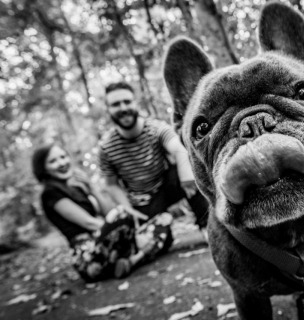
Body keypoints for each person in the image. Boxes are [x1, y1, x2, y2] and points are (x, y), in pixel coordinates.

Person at [32, 144, 172, 282]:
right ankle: (137, 255)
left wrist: (91, 188)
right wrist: (131, 232)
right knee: (123, 213)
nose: (61, 163)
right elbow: (90, 223)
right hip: (89, 257)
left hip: (110, 248)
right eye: (53, 161)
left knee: (163, 219)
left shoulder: (77, 188)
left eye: (63, 157)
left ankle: (130, 261)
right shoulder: (50, 193)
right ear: (43, 168)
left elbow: (107, 213)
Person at [98, 81, 208, 237]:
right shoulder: (106, 147)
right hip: (142, 201)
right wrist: (127, 209)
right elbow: (111, 185)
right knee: (158, 238)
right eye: (116, 104)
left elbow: (178, 148)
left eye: (127, 102)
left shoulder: (156, 128)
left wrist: (187, 179)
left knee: (191, 170)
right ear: (108, 109)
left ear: (135, 103)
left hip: (166, 185)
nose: (123, 108)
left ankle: (207, 227)